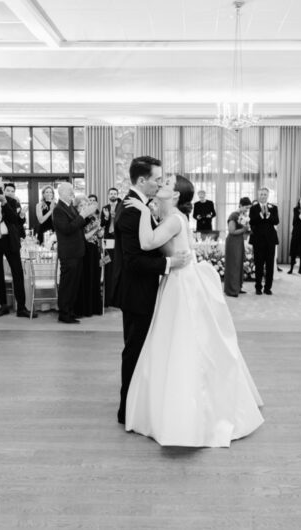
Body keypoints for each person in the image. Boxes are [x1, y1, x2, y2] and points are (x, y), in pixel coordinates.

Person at [123, 172, 263, 447]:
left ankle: (189, 408)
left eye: (167, 183)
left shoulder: (175, 219)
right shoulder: (173, 216)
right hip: (177, 279)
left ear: (176, 194)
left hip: (181, 283)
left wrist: (142, 211)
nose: (161, 184)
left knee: (183, 340)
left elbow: (147, 243)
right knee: (176, 338)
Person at [112, 156, 191, 425]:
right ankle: (127, 410)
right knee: (134, 349)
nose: (159, 183)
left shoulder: (140, 207)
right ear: (142, 180)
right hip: (137, 292)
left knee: (142, 347)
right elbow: (134, 261)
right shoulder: (132, 210)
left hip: (143, 289)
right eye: (157, 179)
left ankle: (139, 404)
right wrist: (170, 263)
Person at [0, 178, 31, 318]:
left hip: (10, 241)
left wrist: (5, 203)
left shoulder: (11, 201)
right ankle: (3, 305)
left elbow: (14, 219)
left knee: (17, 272)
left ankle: (21, 307)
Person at [53, 183, 91, 324]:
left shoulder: (70, 207)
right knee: (67, 285)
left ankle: (70, 310)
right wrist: (82, 216)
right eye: (70, 191)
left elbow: (78, 225)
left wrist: (87, 216)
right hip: (69, 253)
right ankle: (64, 313)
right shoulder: (58, 209)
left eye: (72, 190)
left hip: (77, 251)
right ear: (61, 192)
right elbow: (67, 229)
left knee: (74, 284)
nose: (72, 193)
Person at [76, 194, 104, 317]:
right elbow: (84, 237)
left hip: (94, 250)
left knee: (94, 277)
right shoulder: (79, 219)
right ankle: (85, 308)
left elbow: (99, 235)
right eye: (81, 205)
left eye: (86, 205)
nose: (84, 207)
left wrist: (100, 230)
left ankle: (94, 307)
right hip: (85, 250)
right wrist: (95, 230)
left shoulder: (93, 217)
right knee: (86, 278)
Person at [248, 188, 279, 295]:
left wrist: (269, 215)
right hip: (258, 240)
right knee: (259, 265)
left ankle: (268, 288)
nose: (263, 196)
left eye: (265, 194)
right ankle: (258, 287)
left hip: (270, 240)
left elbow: (276, 221)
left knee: (270, 265)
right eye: (261, 194)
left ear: (268, 195)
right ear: (258, 195)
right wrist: (261, 215)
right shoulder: (253, 208)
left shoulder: (274, 208)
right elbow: (252, 222)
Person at [224, 198, 252, 297]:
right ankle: (231, 290)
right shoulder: (233, 215)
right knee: (233, 265)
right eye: (246, 207)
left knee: (239, 264)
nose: (247, 210)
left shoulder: (243, 216)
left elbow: (243, 230)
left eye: (248, 208)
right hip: (232, 242)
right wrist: (244, 229)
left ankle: (237, 287)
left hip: (239, 241)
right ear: (240, 205)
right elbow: (231, 231)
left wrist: (248, 229)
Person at [101, 187, 120, 306]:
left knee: (117, 266)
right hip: (107, 240)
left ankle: (116, 298)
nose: (113, 195)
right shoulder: (105, 208)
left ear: (117, 195)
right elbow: (101, 224)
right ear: (108, 195)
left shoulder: (122, 207)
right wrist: (107, 217)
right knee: (107, 265)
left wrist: (115, 216)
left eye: (115, 193)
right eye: (111, 193)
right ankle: (107, 298)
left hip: (118, 240)